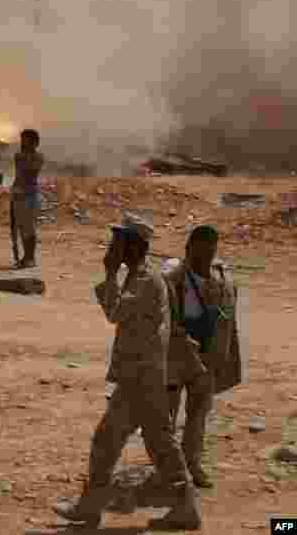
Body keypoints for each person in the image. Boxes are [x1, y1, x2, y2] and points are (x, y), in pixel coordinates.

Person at [54, 211, 201, 530]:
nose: (112, 248)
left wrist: (108, 273)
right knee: (156, 443)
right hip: (141, 376)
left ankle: (91, 508)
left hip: (141, 379)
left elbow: (115, 312)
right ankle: (183, 507)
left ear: (133, 246)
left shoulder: (146, 280)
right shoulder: (139, 276)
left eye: (118, 242)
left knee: (112, 441)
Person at [138, 225, 242, 499]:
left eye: (212, 252)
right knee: (166, 417)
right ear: (189, 249)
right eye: (202, 252)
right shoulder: (172, 278)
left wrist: (223, 356)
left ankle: (192, 465)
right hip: (174, 356)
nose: (207, 258)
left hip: (206, 358)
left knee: (198, 416)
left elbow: (227, 321)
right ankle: (168, 470)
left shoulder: (221, 280)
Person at [11, 128, 44, 268]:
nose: (23, 142)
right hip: (19, 194)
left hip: (30, 195)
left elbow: (31, 172)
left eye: (26, 140)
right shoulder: (19, 155)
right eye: (22, 139)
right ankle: (26, 257)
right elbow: (20, 171)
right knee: (22, 228)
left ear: (35, 143)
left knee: (29, 229)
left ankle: (30, 257)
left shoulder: (38, 157)